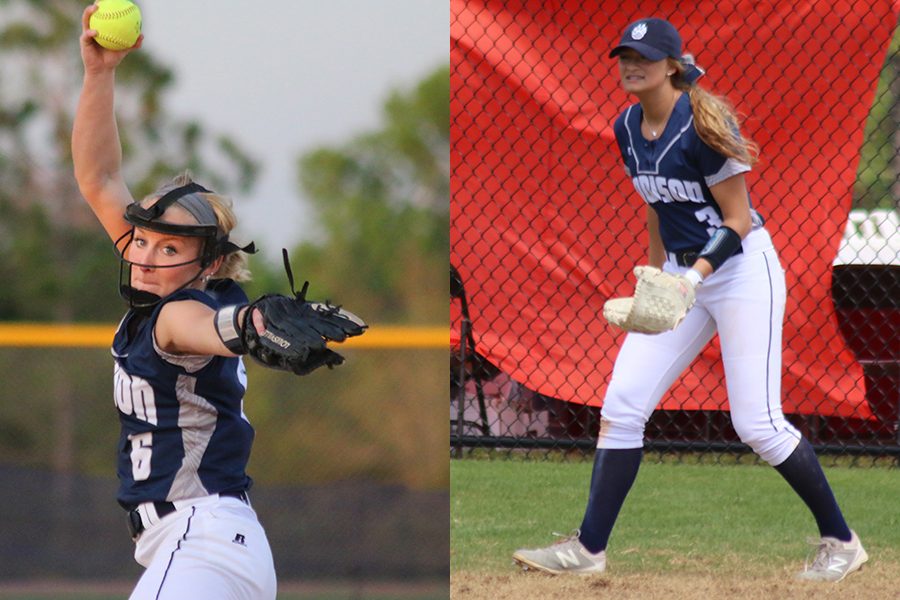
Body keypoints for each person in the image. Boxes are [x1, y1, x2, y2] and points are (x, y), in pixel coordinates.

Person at [512, 17, 867, 582]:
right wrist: (654, 275)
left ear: (673, 66)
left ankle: (842, 541)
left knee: (759, 423)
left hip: (741, 274)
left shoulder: (704, 124)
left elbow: (740, 220)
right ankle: (588, 549)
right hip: (682, 275)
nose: (632, 64)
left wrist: (692, 277)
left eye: (646, 56)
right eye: (626, 54)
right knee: (623, 406)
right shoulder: (628, 126)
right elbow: (655, 201)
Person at [73, 5, 364, 598]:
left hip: (199, 541)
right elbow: (100, 180)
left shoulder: (179, 310)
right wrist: (99, 75)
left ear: (208, 263)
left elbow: (214, 327)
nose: (148, 257)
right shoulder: (164, 281)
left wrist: (253, 322)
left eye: (169, 247)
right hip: (206, 545)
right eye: (144, 241)